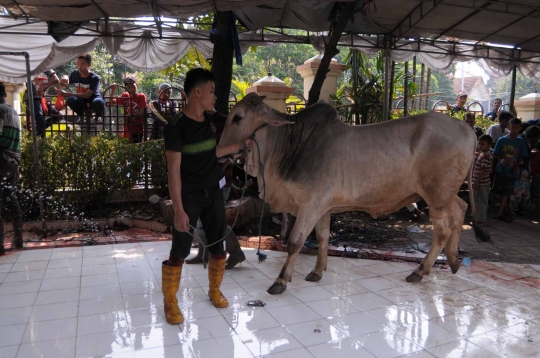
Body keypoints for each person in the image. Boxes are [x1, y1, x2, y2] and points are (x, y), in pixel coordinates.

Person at [162, 68, 253, 324]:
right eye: (212, 91)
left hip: (213, 191)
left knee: (217, 244)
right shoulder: (176, 128)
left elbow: (211, 152)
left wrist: (239, 145)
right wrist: (179, 210)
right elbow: (173, 171)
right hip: (188, 195)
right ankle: (170, 302)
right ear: (198, 92)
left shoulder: (209, 123)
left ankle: (214, 289)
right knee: (180, 248)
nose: (215, 96)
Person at [185, 109, 246, 269]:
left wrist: (223, 162)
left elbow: (235, 150)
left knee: (216, 221)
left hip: (219, 180)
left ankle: (235, 252)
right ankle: (203, 253)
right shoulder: (197, 120)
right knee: (201, 220)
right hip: (202, 180)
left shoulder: (225, 123)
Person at [0, 82, 23, 254]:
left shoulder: (0, 110)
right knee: (12, 201)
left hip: (2, 160)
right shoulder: (12, 110)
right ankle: (18, 239)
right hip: (13, 161)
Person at [493, 118, 529, 222]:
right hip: (501, 169)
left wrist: (517, 166)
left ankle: (500, 211)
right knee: (498, 190)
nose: (514, 129)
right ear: (509, 127)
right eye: (512, 127)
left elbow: (522, 157)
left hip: (513, 170)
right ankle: (502, 210)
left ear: (520, 128)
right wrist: (501, 160)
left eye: (517, 127)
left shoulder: (521, 141)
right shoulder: (502, 140)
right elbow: (496, 154)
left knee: (507, 191)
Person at [57, 54, 105, 122]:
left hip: (94, 101)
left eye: (82, 64)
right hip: (81, 101)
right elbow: (62, 86)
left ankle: (98, 117)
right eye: (78, 64)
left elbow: (87, 95)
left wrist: (68, 94)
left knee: (99, 102)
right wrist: (64, 77)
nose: (79, 67)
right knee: (71, 100)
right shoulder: (75, 74)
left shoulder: (95, 78)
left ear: (89, 65)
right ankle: (81, 116)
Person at [110, 75, 147, 143]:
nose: (131, 89)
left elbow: (141, 112)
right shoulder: (125, 96)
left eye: (133, 86)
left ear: (137, 85)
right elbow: (112, 102)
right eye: (129, 87)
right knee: (126, 145)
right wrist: (113, 90)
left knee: (136, 145)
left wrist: (131, 114)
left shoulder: (141, 96)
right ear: (126, 88)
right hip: (128, 127)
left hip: (138, 127)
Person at [24, 70, 59, 137]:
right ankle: (40, 138)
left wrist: (44, 85)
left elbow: (56, 79)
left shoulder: (47, 68)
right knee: (40, 118)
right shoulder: (28, 67)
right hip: (32, 97)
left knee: (58, 115)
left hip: (42, 98)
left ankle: (37, 129)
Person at [472, 135, 493, 226]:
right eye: (479, 144)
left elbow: (484, 170)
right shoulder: (482, 154)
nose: (480, 146)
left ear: (489, 145)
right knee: (477, 200)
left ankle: (481, 220)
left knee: (481, 201)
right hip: (479, 182)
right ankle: (477, 218)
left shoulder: (486, 155)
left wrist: (477, 182)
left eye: (482, 144)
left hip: (482, 183)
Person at [530, 140, 540, 211]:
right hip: (537, 175)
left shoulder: (537, 155)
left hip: (536, 174)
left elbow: (532, 164)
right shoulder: (537, 155)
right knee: (537, 191)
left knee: (536, 191)